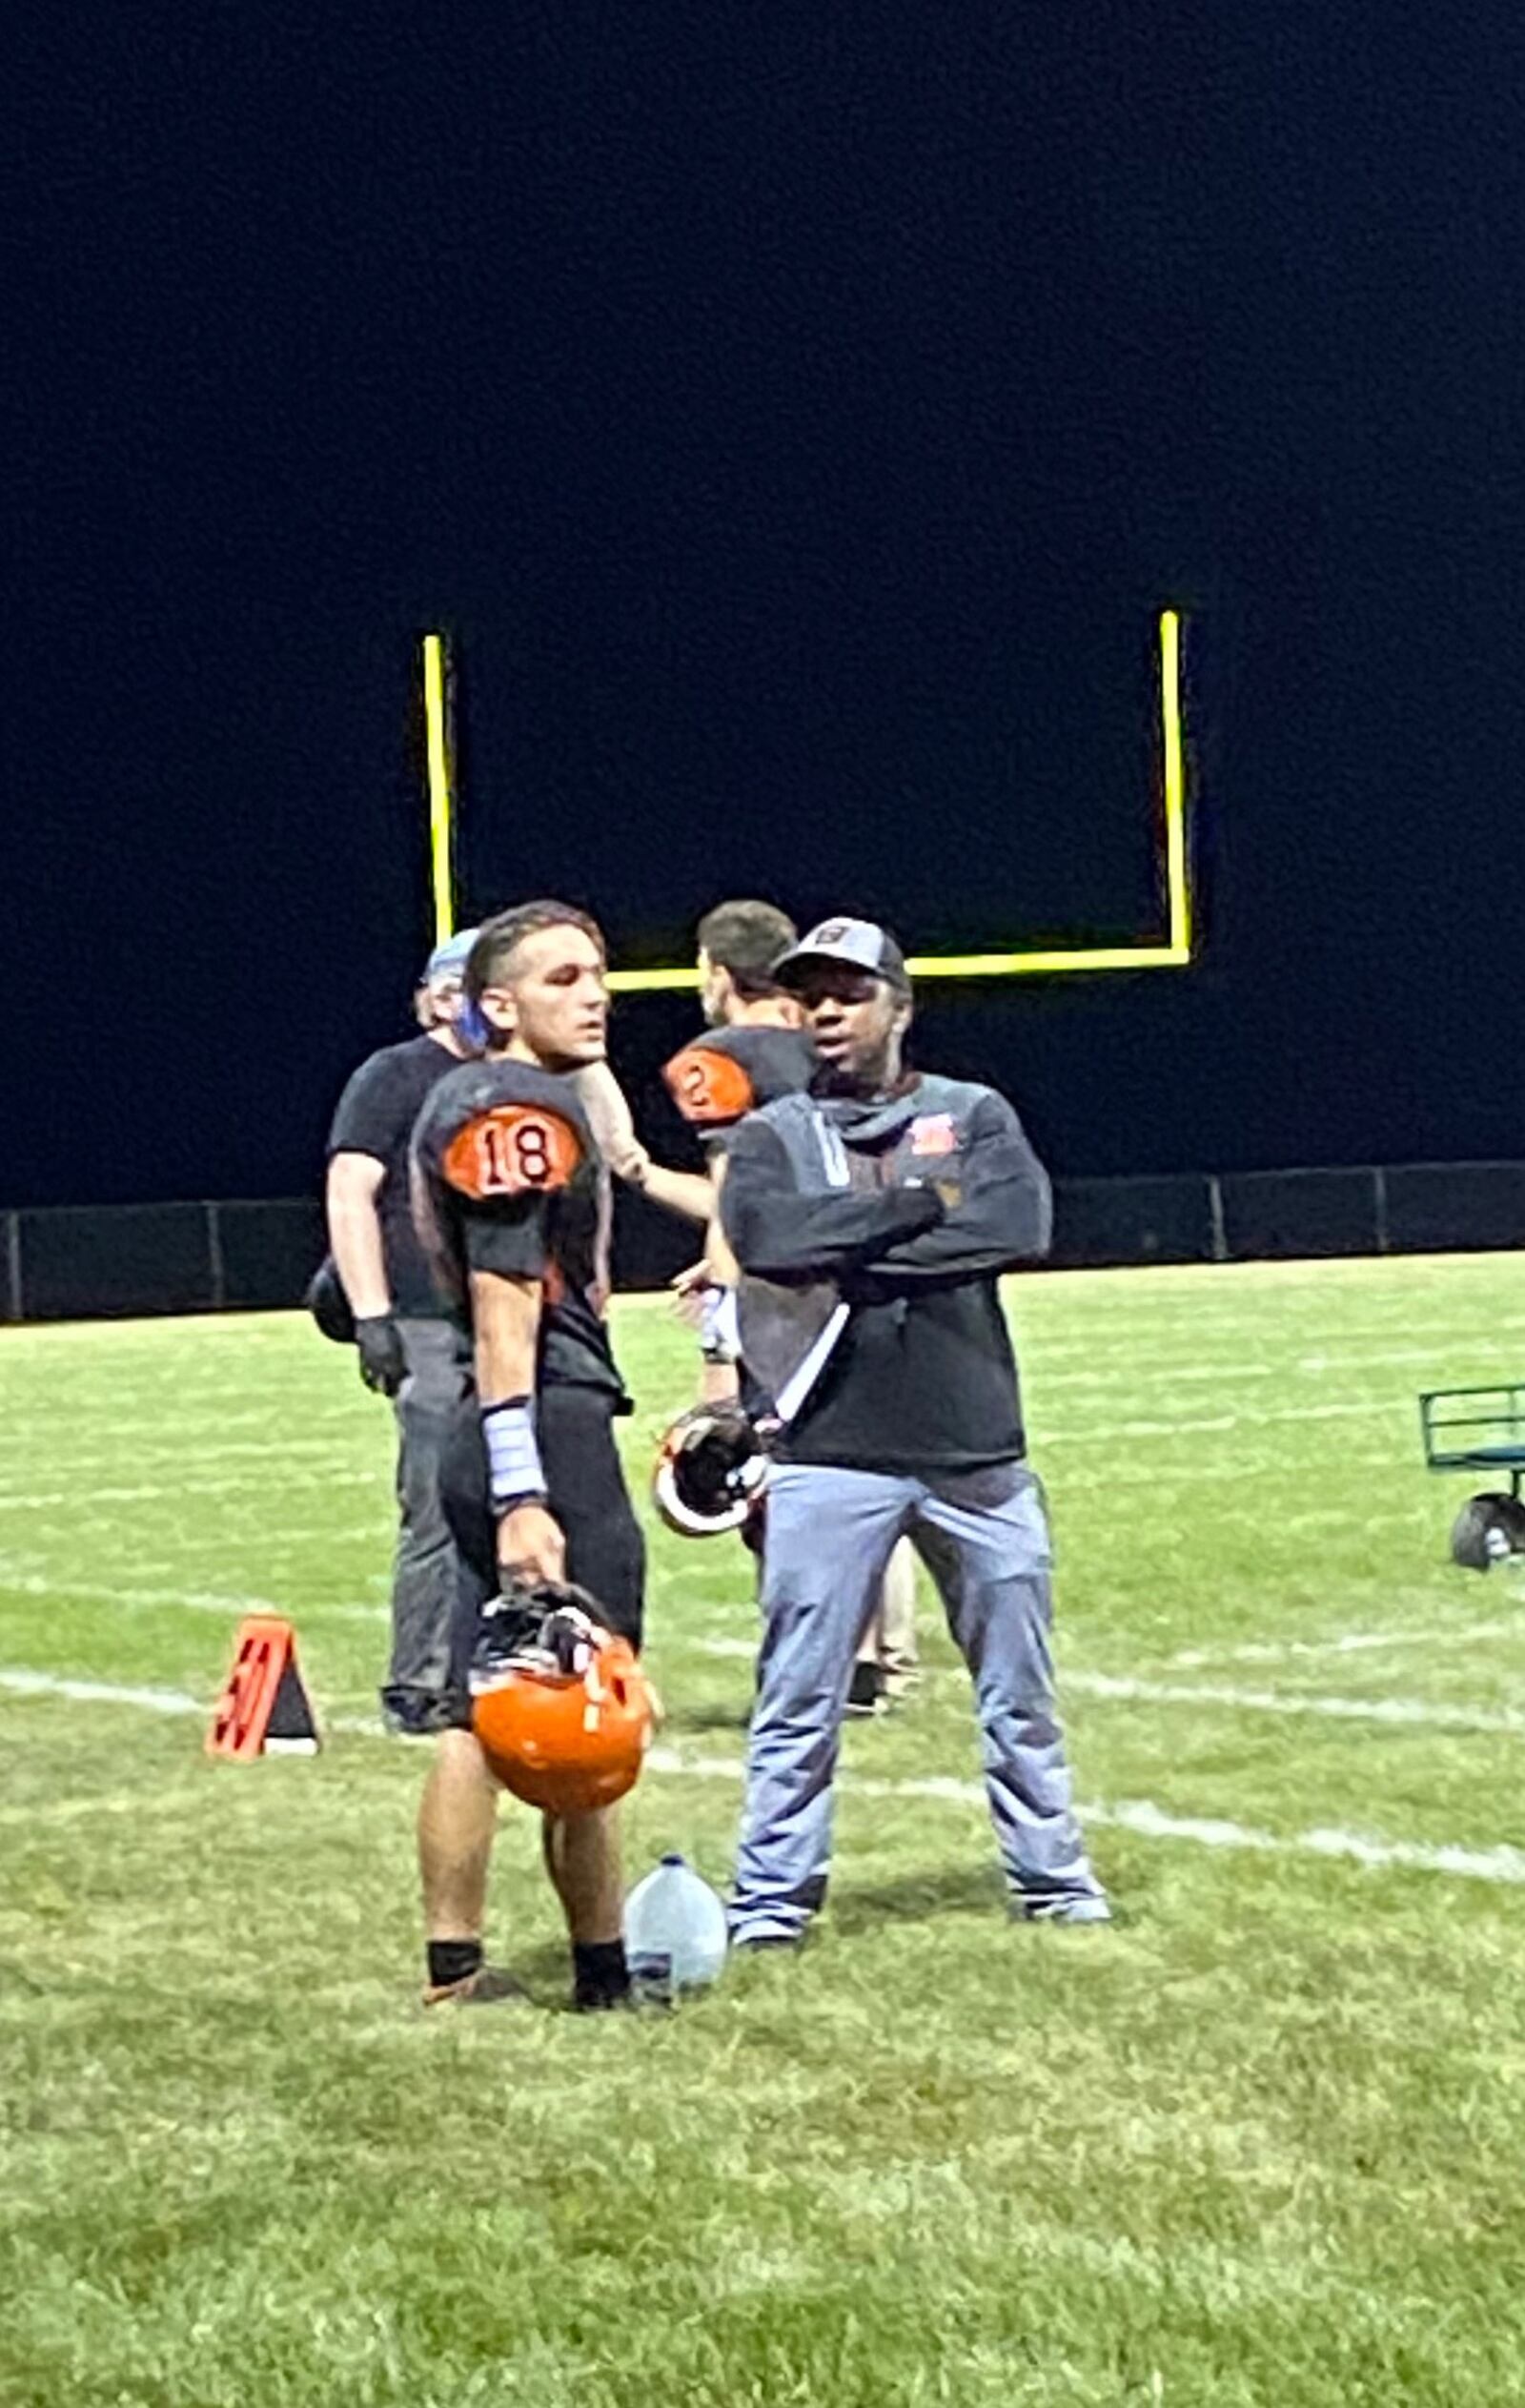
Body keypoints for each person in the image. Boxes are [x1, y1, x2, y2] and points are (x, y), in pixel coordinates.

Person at [719, 914, 1109, 1944]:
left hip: (973, 1447)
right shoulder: (771, 1134)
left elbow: (1014, 1227)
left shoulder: (971, 1112)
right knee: (798, 1699)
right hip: (828, 1450)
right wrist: (918, 1209)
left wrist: (848, 1249)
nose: (828, 1015)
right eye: (811, 998)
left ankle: (1054, 1882)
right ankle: (770, 1904)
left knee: (1018, 1691)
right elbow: (765, 1239)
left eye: (850, 994)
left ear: (900, 1003)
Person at [409, 900, 647, 2011]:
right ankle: (600, 1974)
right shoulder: (515, 1103)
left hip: (483, 1416)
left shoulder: (482, 1095)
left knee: (474, 1708)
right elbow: (510, 1315)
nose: (592, 993)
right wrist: (524, 1493)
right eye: (560, 978)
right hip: (537, 1422)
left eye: (596, 973)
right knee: (580, 1709)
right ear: (497, 1005)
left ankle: (454, 1969)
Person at [661, 899, 919, 1711]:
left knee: (773, 1483)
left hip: (781, 1303)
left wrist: (715, 1347)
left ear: (715, 971)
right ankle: (880, 1657)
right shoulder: (836, 1048)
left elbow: (737, 1204)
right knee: (869, 1466)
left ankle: (825, 1658)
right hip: (866, 1276)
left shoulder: (721, 1056)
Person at [324, 929, 479, 1735]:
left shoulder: (517, 1078)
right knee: (435, 1504)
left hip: (508, 1315)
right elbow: (351, 1189)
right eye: (456, 987)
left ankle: (495, 1665)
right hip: (425, 1317)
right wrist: (374, 1313)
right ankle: (418, 1681)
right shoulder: (395, 1074)